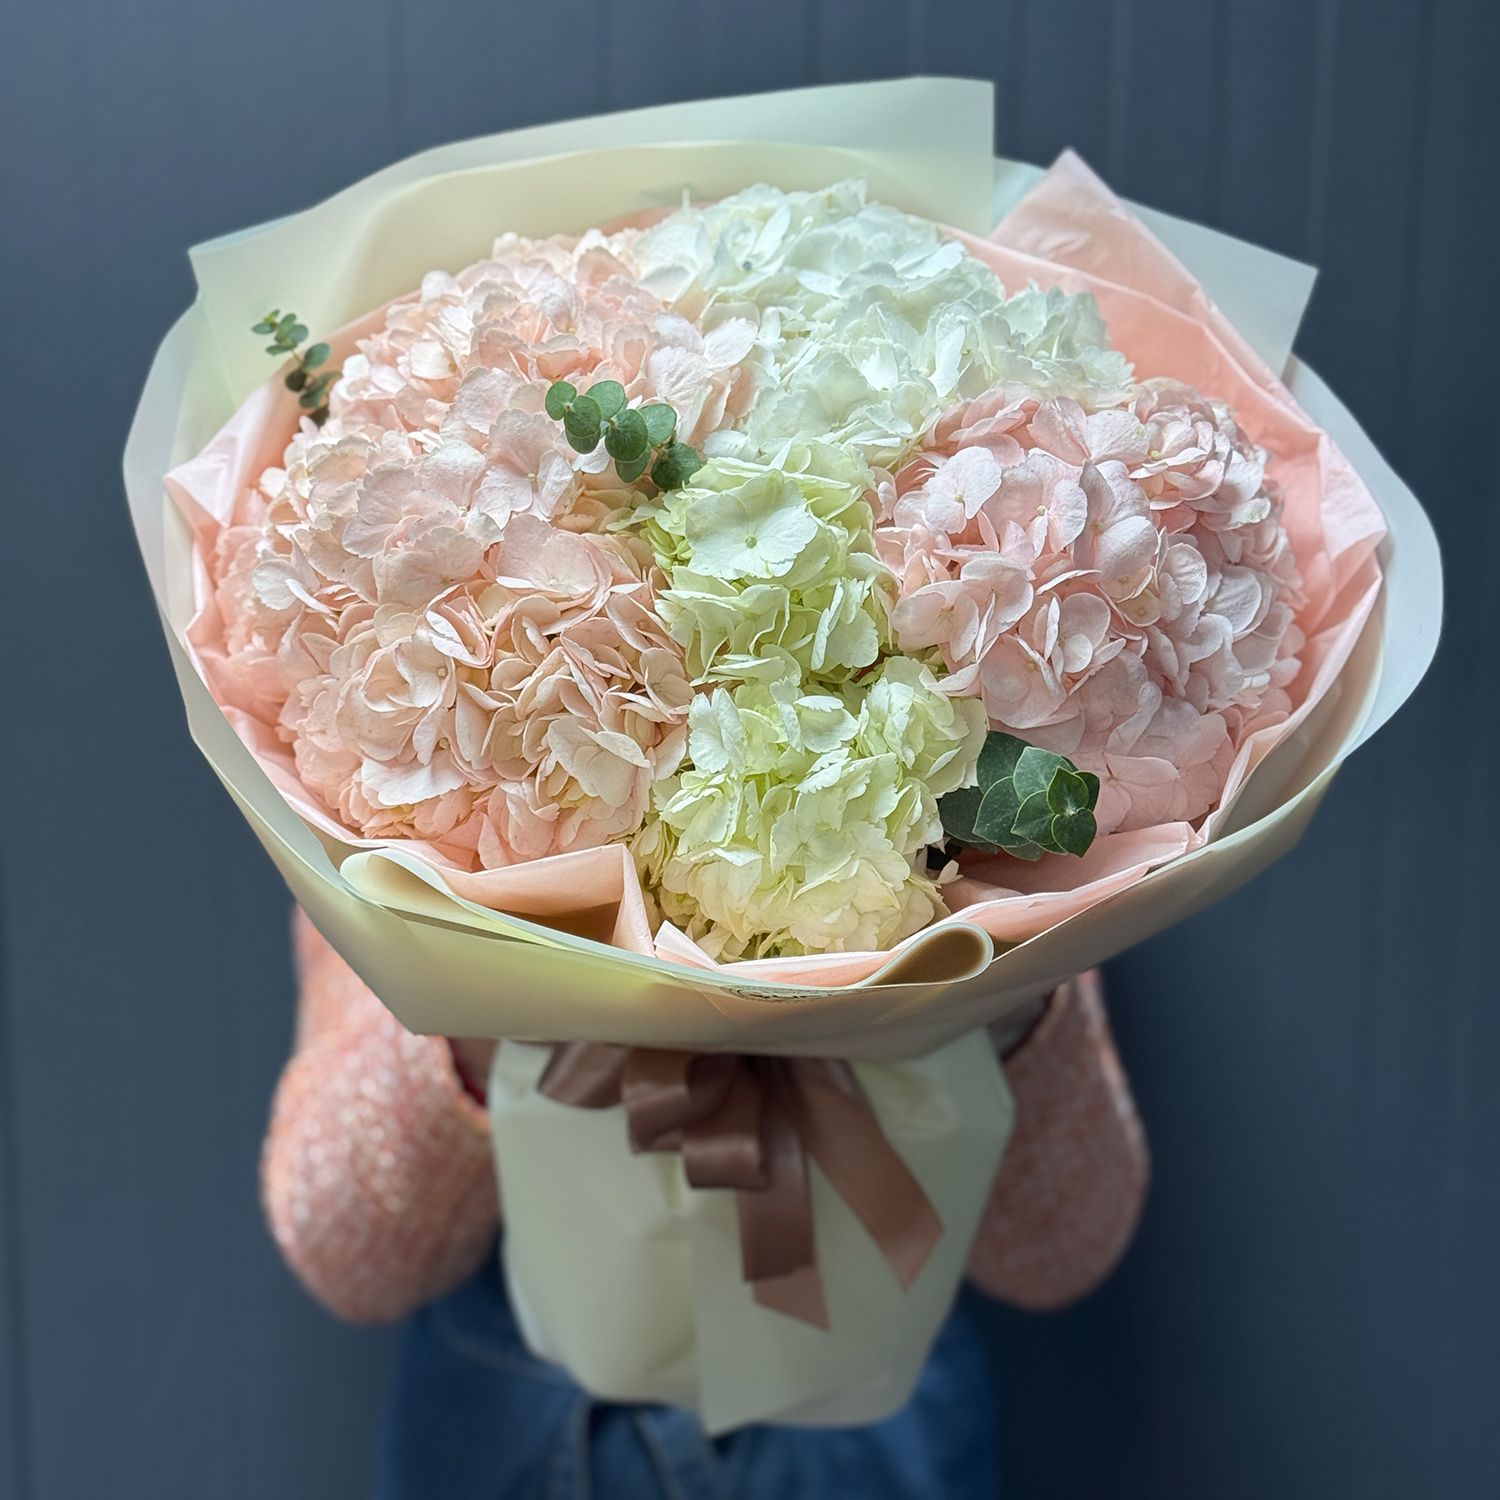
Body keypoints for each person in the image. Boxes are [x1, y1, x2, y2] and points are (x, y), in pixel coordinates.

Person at [264, 911, 1147, 1498]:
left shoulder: (999, 722)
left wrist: (1002, 991)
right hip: (518, 1429)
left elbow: (1060, 1250)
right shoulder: (411, 728)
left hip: (874, 1408)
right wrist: (484, 994)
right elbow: (347, 1256)